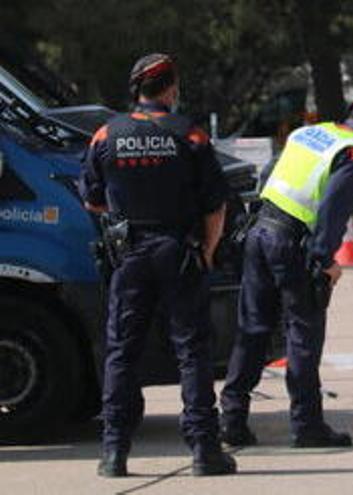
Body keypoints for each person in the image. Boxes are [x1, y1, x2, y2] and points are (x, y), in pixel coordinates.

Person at [79, 53, 236, 477]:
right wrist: (206, 249)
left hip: (129, 254)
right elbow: (215, 204)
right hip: (180, 251)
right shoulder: (191, 135)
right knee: (191, 352)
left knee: (122, 353)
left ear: (137, 90)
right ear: (171, 88)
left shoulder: (105, 135)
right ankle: (205, 450)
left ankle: (114, 454)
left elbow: (92, 199)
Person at [219, 94, 353, 448]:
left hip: (260, 231)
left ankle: (232, 419)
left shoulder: (309, 133)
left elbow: (270, 174)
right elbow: (332, 212)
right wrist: (323, 262)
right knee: (303, 336)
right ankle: (307, 426)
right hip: (292, 244)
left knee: (253, 330)